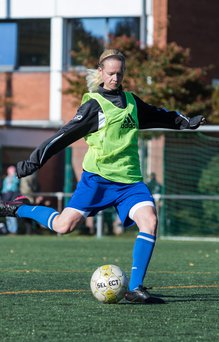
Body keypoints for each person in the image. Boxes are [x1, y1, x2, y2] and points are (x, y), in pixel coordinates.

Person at [0, 49, 205, 303]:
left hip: (129, 182)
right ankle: (18, 208)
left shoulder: (131, 101)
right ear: (100, 72)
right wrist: (33, 162)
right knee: (63, 226)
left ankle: (136, 288)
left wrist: (183, 122)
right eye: (110, 74)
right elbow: (63, 136)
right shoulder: (93, 106)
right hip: (96, 180)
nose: (115, 78)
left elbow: (156, 115)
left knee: (150, 221)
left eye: (119, 74)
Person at [1, 165, 20, 234]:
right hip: (6, 199)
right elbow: (4, 189)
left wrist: (13, 176)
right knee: (7, 215)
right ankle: (9, 230)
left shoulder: (15, 178)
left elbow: (15, 185)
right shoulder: (6, 179)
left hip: (12, 199)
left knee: (12, 215)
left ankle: (14, 231)